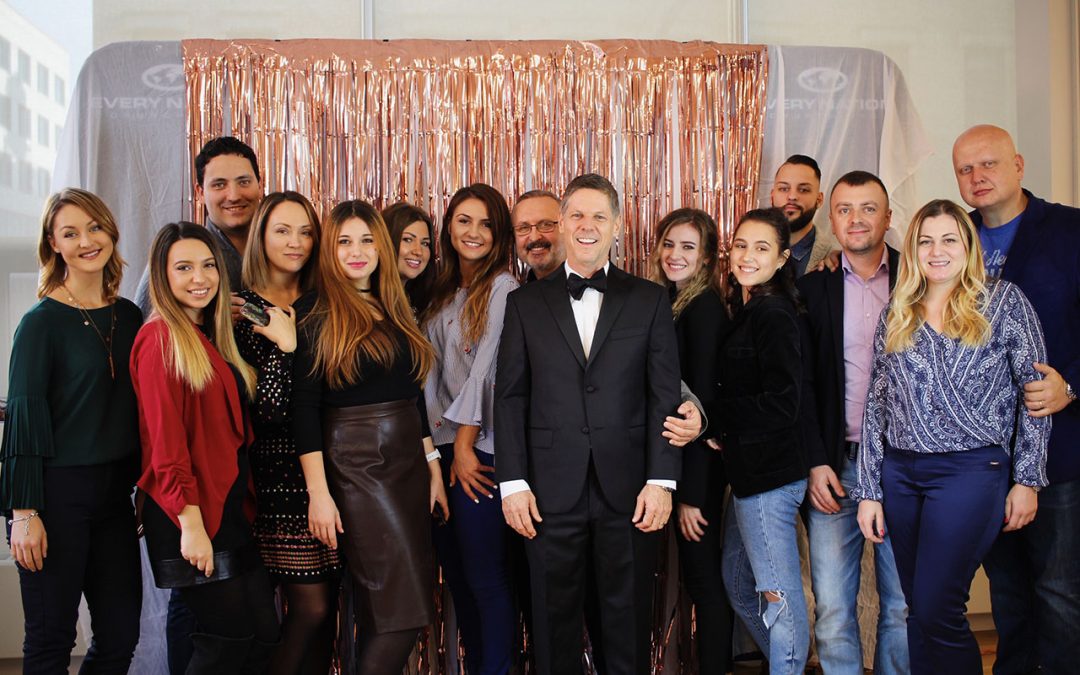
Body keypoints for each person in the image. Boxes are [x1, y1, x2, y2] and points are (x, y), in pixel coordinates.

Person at [853, 199, 1050, 674]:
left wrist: (1027, 480)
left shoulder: (1003, 302)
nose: (936, 251)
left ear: (968, 246)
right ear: (913, 249)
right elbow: (876, 405)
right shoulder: (898, 312)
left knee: (938, 608)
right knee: (918, 611)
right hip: (901, 474)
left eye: (948, 240)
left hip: (971, 472)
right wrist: (869, 491)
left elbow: (1036, 394)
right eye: (925, 241)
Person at [496, 173, 682, 675]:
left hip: (631, 491)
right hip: (546, 492)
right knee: (552, 626)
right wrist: (513, 483)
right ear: (561, 224)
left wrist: (662, 481)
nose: (586, 225)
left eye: (599, 216)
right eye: (576, 214)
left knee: (626, 625)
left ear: (617, 226)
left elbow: (663, 395)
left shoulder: (649, 299)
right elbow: (510, 397)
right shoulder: (524, 303)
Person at [292, 200, 447, 675]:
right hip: (358, 467)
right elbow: (304, 409)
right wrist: (319, 494)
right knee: (401, 615)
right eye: (344, 241)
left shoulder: (393, 305)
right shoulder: (313, 311)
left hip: (407, 465)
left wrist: (432, 465)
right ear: (329, 250)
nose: (357, 252)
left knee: (394, 612)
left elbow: (412, 394)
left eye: (366, 240)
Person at [951, 124, 1080, 675]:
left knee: (1060, 590)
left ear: (1019, 165)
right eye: (965, 169)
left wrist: (1071, 385)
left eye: (989, 164)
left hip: (1058, 448)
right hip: (984, 454)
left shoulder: (1069, 230)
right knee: (1006, 589)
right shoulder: (954, 238)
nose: (977, 177)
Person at [1, 189, 142, 674]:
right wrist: (24, 513)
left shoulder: (129, 315)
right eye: (70, 233)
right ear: (53, 244)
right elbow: (23, 418)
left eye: (94, 227)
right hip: (54, 497)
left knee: (120, 638)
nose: (86, 241)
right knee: (51, 641)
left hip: (115, 499)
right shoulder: (41, 324)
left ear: (110, 231)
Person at [132, 222, 280, 674]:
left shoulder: (207, 337)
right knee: (227, 641)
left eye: (208, 266)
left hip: (227, 508)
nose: (200, 278)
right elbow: (165, 443)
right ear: (162, 276)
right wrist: (191, 524)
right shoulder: (159, 339)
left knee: (262, 634)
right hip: (191, 513)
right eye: (184, 268)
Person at [797, 172, 909, 674]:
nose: (856, 219)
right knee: (833, 608)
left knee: (901, 605)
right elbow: (801, 385)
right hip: (836, 466)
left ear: (888, 217)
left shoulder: (920, 277)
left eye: (868, 208)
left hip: (904, 464)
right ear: (832, 218)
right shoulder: (810, 288)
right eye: (844, 209)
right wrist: (815, 460)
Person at [234, 191, 341, 675]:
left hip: (330, 468)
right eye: (282, 230)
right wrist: (285, 347)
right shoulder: (242, 309)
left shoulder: (323, 301)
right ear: (261, 236)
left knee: (326, 613)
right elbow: (269, 411)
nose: (296, 242)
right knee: (309, 608)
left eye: (305, 232)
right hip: (277, 477)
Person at [422, 183, 519, 675]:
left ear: (499, 233)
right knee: (458, 580)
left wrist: (463, 447)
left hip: (479, 450)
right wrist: (434, 455)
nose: (474, 232)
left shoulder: (503, 288)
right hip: (439, 452)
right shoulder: (440, 290)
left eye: (486, 223)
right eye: (464, 220)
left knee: (486, 577)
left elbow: (488, 370)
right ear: (448, 227)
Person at [712, 207, 811, 675]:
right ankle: (787, 664)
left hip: (770, 478)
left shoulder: (774, 313)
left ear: (782, 258)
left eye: (762, 247)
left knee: (779, 594)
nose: (747, 256)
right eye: (741, 245)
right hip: (749, 478)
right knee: (737, 583)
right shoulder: (750, 308)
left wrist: (717, 422)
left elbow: (783, 403)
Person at [648, 207, 734, 675]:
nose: (675, 255)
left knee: (704, 581)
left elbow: (703, 410)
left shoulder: (703, 309)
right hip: (674, 467)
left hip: (695, 474)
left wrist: (691, 497)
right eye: (669, 244)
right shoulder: (670, 299)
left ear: (705, 258)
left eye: (687, 247)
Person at [136, 136, 263, 317]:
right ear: (200, 193)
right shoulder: (173, 252)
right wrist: (206, 314)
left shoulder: (284, 247)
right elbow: (144, 325)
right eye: (219, 185)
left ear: (260, 185)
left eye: (244, 182)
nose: (234, 196)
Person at [770, 154, 832, 277]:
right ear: (772, 196)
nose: (792, 196)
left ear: (819, 199)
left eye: (803, 190)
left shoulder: (834, 260)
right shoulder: (750, 250)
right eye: (784, 188)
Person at [383, 201, 436, 314]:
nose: (418, 252)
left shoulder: (419, 302)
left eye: (425, 243)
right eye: (408, 240)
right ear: (387, 241)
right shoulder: (370, 306)